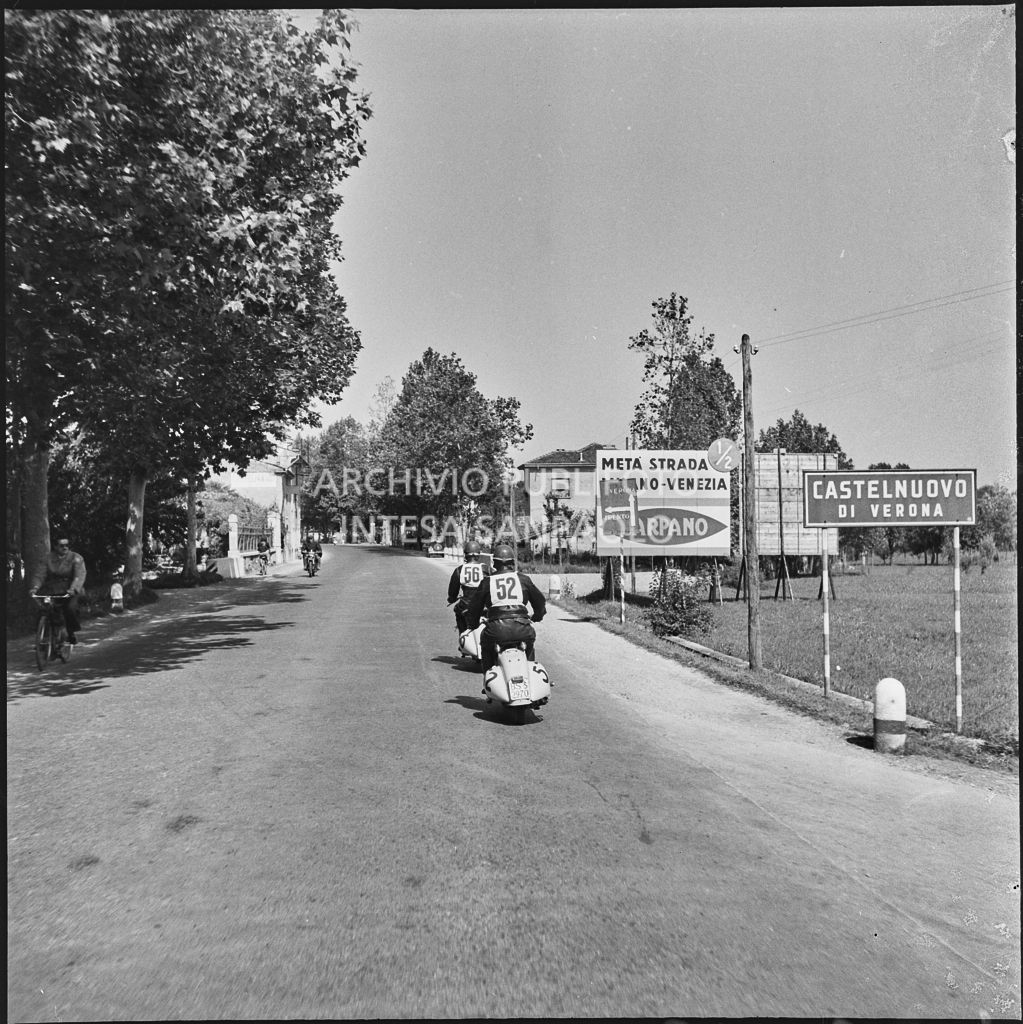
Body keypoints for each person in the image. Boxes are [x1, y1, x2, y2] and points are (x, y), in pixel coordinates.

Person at [464, 542, 546, 673]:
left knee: (485, 646)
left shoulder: (487, 582)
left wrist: (472, 624)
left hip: (496, 630)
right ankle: (530, 671)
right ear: (512, 562)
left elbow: (474, 608)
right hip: (523, 629)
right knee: (529, 646)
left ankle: (488, 677)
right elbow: (540, 602)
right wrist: (538, 616)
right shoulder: (523, 579)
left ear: (494, 563)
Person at [28, 535, 87, 644]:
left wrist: (73, 589)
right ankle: (44, 635)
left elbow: (79, 575)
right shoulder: (47, 558)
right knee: (44, 610)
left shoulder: (76, 557)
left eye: (67, 545)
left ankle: (70, 632)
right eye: (61, 545)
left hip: (70, 589)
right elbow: (39, 575)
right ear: (55, 546)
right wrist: (35, 588)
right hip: (52, 589)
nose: (65, 548)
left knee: (69, 609)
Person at [447, 540, 490, 633]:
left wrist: (451, 599)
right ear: (478, 554)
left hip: (466, 605)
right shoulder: (486, 568)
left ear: (465, 554)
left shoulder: (459, 570)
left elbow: (453, 591)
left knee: (458, 612)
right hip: (483, 606)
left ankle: (462, 637)